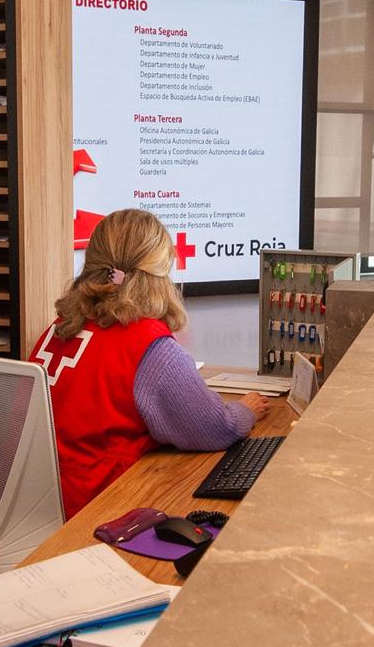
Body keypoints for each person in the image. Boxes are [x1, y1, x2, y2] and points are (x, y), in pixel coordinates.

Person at [30, 209, 269, 518]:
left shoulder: (59, 328)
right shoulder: (149, 346)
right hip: (97, 507)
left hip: (42, 502)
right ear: (159, 272)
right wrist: (245, 410)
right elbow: (213, 428)